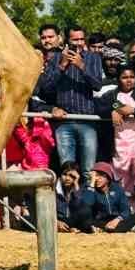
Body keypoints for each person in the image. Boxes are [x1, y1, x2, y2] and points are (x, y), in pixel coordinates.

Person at [37, 26, 103, 176]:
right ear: (67, 41)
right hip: (64, 122)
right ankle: (68, 198)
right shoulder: (55, 58)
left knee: (88, 170)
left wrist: (81, 66)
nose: (78, 43)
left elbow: (97, 85)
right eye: (75, 39)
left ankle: (89, 198)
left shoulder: (93, 58)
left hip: (87, 120)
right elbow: (46, 88)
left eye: (81, 39)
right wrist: (62, 65)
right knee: (67, 170)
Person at [99, 65, 135, 210]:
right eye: (125, 77)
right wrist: (114, 109)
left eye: (131, 77)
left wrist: (134, 110)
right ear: (118, 80)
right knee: (122, 177)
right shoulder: (111, 95)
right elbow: (99, 107)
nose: (129, 80)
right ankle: (127, 214)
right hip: (118, 140)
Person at [80, 162, 135, 232]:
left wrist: (116, 220)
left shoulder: (117, 189)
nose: (97, 179)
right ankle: (120, 229)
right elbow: (86, 205)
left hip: (117, 220)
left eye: (100, 176)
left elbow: (125, 209)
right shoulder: (90, 188)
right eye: (95, 176)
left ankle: (109, 229)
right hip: (100, 221)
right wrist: (91, 184)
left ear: (108, 177)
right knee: (84, 221)